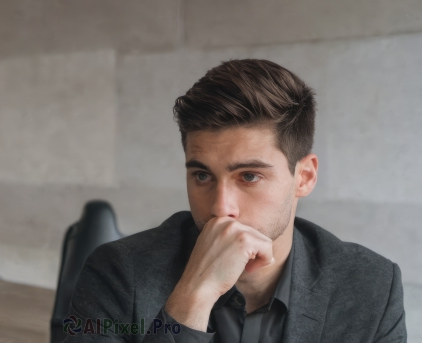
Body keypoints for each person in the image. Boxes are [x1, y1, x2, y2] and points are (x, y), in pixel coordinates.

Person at [62, 59, 407, 342]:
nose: (220, 207)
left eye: (249, 176)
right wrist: (192, 299)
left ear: (304, 177)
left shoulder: (370, 286)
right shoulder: (118, 273)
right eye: (202, 176)